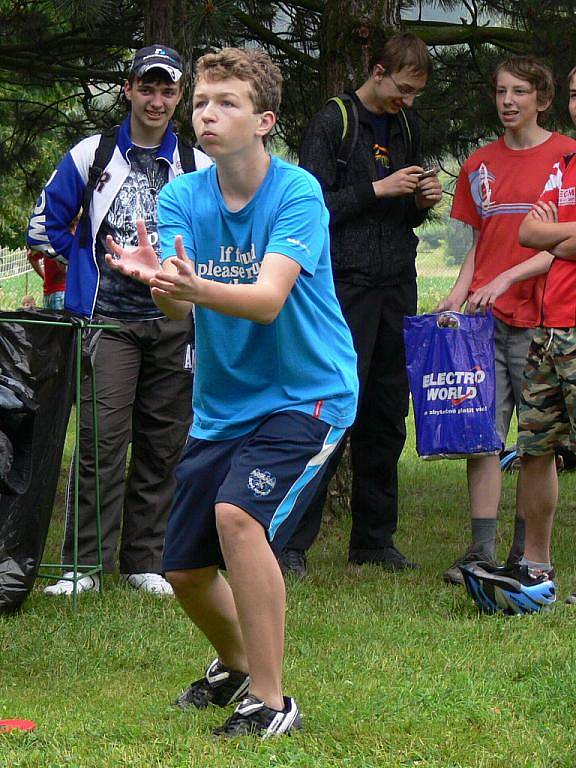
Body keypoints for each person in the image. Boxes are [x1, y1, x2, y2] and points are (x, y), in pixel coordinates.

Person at [105, 47, 358, 738]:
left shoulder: (298, 193)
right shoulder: (182, 195)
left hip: (308, 395)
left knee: (238, 517)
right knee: (184, 568)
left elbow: (269, 298)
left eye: (226, 103)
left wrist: (189, 286)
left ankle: (273, 704)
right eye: (202, 103)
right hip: (223, 405)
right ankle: (236, 662)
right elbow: (180, 312)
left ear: (263, 121)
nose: (207, 114)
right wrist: (158, 282)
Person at [26, 45, 211, 596]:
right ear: (128, 89)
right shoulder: (92, 153)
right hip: (108, 320)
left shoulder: (197, 164)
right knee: (102, 442)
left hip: (174, 319)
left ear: (179, 98)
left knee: (164, 442)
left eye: (168, 91)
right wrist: (84, 260)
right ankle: (85, 565)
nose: (156, 101)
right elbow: (44, 227)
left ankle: (145, 561)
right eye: (146, 89)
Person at [279, 33, 442, 578]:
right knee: (328, 413)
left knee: (387, 414)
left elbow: (404, 214)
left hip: (397, 281)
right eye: (403, 89)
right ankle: (291, 542)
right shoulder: (333, 122)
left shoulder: (407, 128)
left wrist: (419, 202)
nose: (408, 101)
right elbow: (312, 206)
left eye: (416, 93)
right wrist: (379, 189)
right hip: (341, 286)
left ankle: (374, 539)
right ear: (376, 72)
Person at [436, 57, 576, 586]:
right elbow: (480, 244)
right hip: (482, 320)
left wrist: (508, 278)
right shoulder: (479, 163)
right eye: (500, 91)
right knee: (482, 433)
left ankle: (525, 553)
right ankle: (480, 550)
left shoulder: (565, 155)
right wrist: (457, 292)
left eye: (520, 91)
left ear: (543, 99)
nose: (509, 101)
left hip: (543, 315)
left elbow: (557, 246)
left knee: (537, 441)